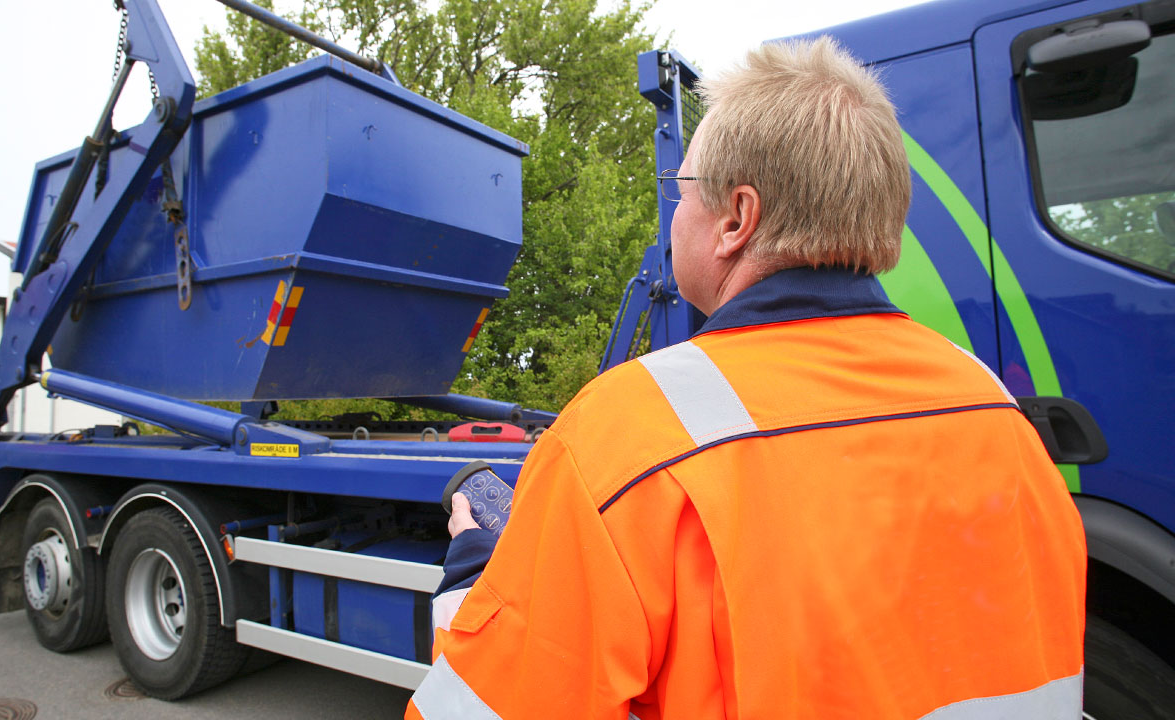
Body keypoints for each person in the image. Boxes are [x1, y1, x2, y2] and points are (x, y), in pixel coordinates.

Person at [408, 37, 1085, 720]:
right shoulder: (997, 414)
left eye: (681, 189)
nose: (675, 211)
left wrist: (479, 580)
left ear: (736, 219)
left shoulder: (625, 438)